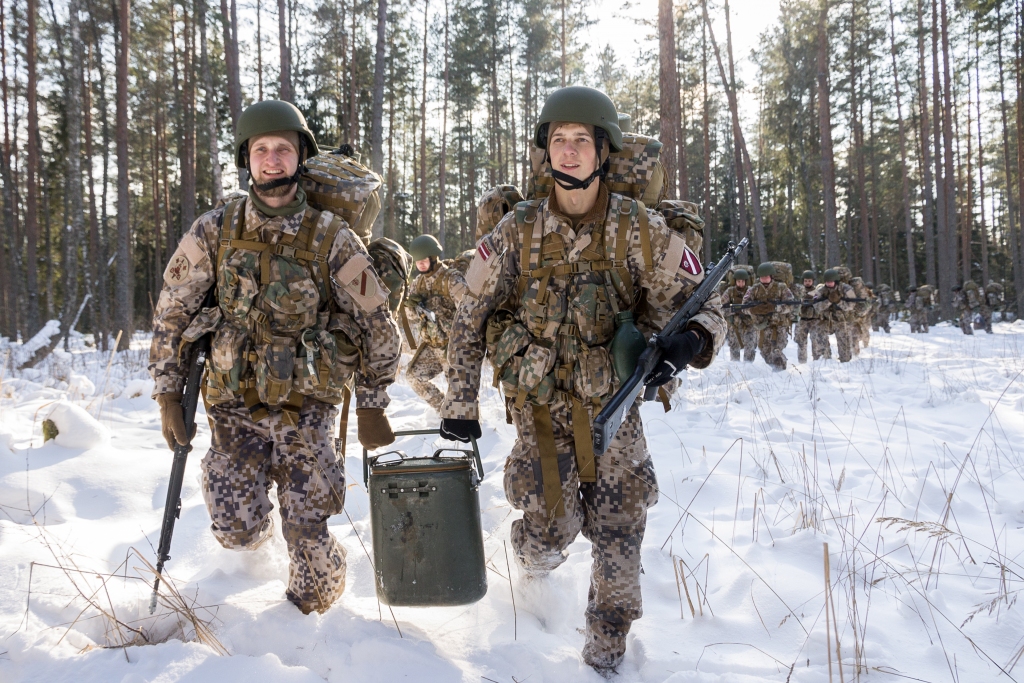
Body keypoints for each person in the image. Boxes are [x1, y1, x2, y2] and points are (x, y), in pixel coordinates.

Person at [439, 86, 725, 675]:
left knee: (621, 536)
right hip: (542, 415)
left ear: (602, 150)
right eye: (558, 141)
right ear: (547, 152)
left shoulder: (639, 229)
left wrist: (689, 342)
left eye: (581, 141)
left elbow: (707, 299)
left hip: (616, 415)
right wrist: (459, 401)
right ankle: (530, 565)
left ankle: (604, 661)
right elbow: (468, 313)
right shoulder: (515, 233)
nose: (568, 153)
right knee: (551, 530)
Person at [149, 100, 401, 615]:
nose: (271, 160)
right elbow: (170, 314)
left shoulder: (332, 236)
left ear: (300, 156)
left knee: (310, 564)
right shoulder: (215, 228)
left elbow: (379, 325)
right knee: (234, 531)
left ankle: (315, 595)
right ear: (247, 158)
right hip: (233, 405)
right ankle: (254, 539)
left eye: (282, 149)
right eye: (261, 150)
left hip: (307, 408)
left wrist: (372, 404)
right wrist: (167, 393)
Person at [404, 234, 468, 411]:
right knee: (413, 377)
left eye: (423, 260)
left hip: (453, 347)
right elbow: (411, 317)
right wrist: (412, 307)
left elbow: (469, 311)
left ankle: (463, 418)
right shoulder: (418, 283)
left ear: (433, 257)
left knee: (459, 392)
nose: (420, 265)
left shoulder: (452, 279)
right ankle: (443, 410)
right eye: (417, 262)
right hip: (432, 345)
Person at [741, 263, 794, 370]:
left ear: (771, 276)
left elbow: (791, 305)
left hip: (779, 326)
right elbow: (743, 307)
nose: (764, 279)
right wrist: (754, 309)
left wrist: (775, 308)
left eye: (766, 277)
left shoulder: (781, 287)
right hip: (762, 327)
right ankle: (774, 372)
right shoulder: (753, 289)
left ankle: (781, 371)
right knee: (765, 352)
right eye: (762, 277)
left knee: (777, 350)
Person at [812, 268, 856, 362]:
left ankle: (845, 362)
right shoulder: (820, 290)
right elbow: (815, 305)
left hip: (843, 320)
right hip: (826, 319)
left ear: (836, 281)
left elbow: (852, 305)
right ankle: (825, 358)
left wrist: (839, 302)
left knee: (844, 344)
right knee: (819, 334)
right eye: (827, 282)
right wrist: (828, 301)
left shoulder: (848, 289)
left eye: (831, 282)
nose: (829, 284)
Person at [723, 269, 757, 361]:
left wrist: (747, 310)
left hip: (749, 324)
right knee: (734, 348)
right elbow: (721, 308)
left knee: (750, 347)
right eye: (738, 281)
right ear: (735, 281)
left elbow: (757, 308)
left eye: (743, 281)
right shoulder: (730, 291)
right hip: (735, 325)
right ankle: (735, 369)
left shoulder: (752, 291)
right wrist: (734, 310)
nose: (741, 283)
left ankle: (748, 368)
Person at [793, 270, 826, 362]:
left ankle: (817, 361)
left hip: (814, 320)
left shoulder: (817, 291)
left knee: (816, 341)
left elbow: (820, 301)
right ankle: (802, 362)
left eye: (809, 281)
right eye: (806, 281)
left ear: (813, 281)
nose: (807, 283)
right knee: (801, 342)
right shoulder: (799, 290)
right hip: (802, 320)